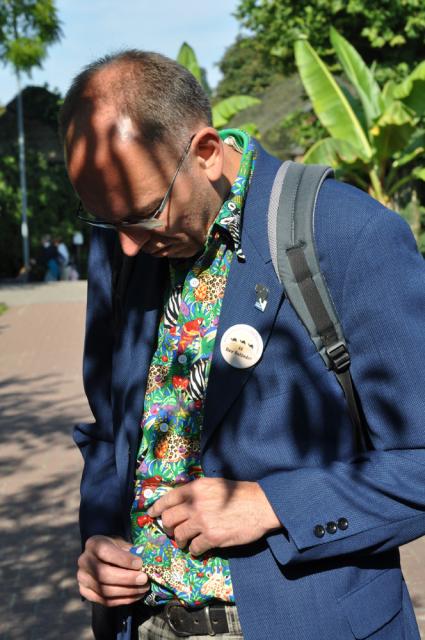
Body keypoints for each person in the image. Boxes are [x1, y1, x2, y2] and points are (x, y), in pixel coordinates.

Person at [59, 50, 425, 640]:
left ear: (204, 153)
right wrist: (100, 540)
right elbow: (109, 431)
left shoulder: (350, 236)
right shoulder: (127, 246)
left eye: (145, 215)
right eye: (106, 222)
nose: (124, 246)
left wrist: (273, 504)